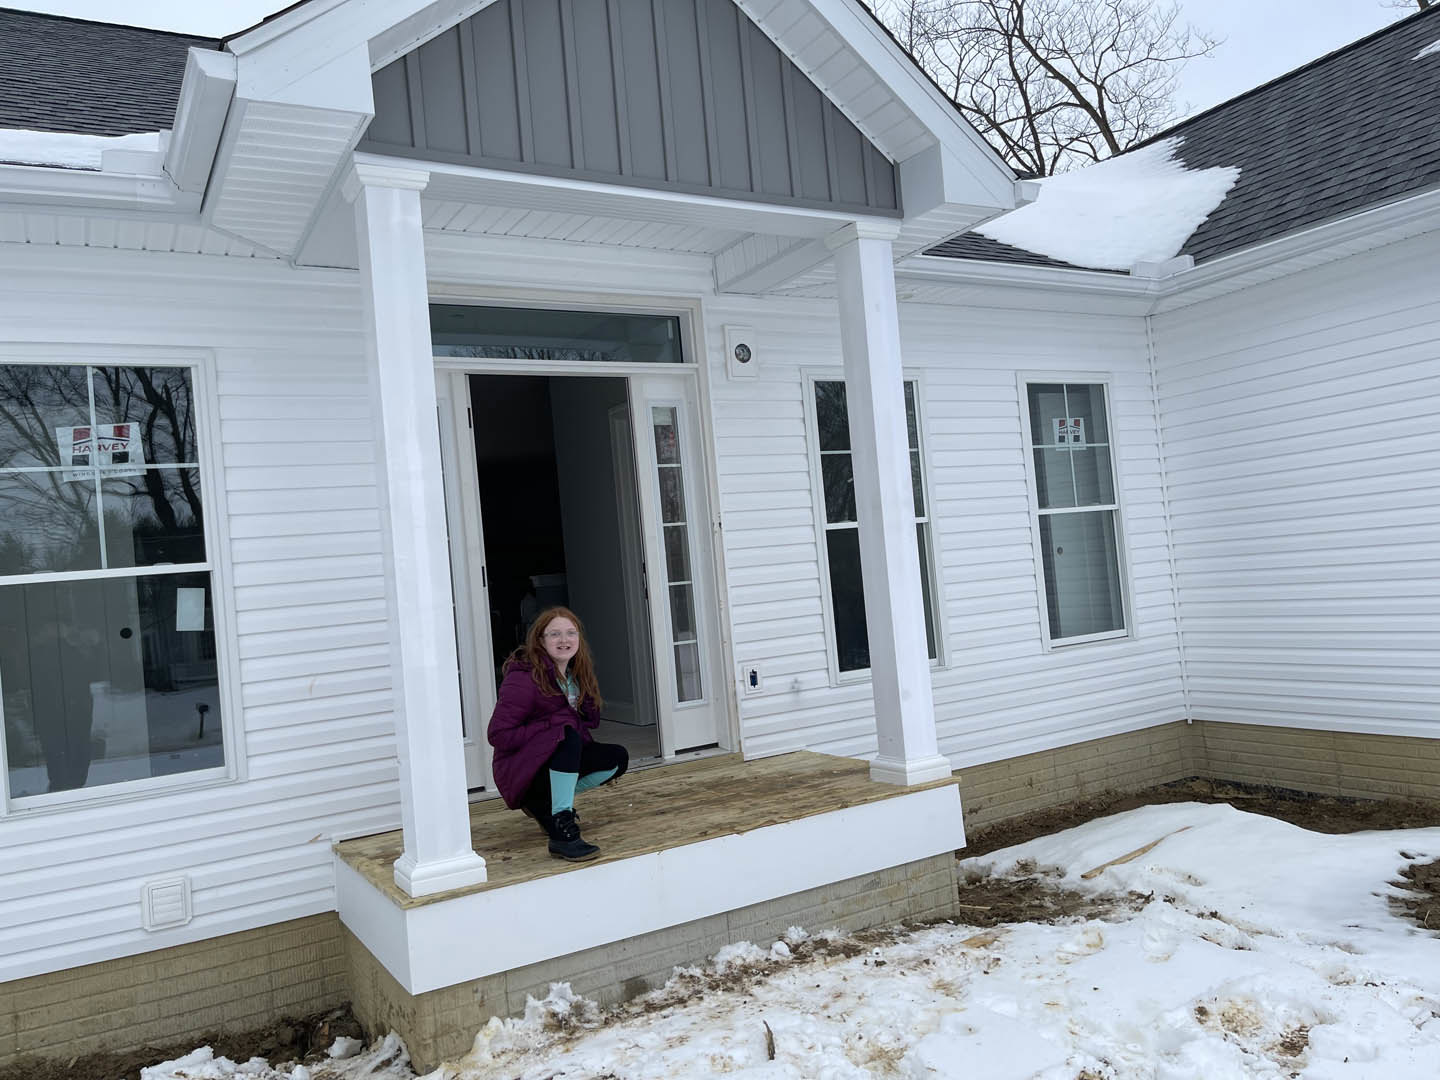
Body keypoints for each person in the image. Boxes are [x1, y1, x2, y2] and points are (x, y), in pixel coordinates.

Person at [487, 606, 628, 861]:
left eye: (570, 633)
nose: (564, 640)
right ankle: (561, 832)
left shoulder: (574, 675)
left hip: (554, 760)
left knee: (617, 758)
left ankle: (543, 803)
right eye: (554, 634)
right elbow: (498, 735)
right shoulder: (524, 678)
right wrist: (554, 724)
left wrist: (583, 702)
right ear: (540, 640)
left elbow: (590, 722)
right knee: (565, 735)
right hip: (520, 769)